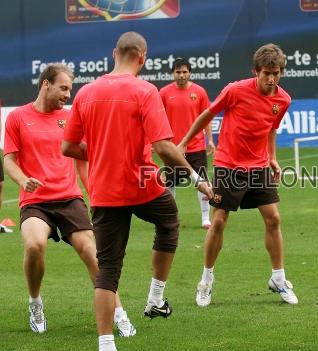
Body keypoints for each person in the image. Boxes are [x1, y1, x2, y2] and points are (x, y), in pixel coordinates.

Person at [61, 32, 213, 351]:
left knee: (108, 269)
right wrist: (196, 176)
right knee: (169, 222)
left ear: (114, 52)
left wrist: (103, 153)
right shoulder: (145, 90)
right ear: (142, 58)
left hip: (103, 190)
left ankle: (105, 343)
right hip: (141, 185)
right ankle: (155, 296)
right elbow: (162, 146)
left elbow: (69, 147)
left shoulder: (86, 92)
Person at [3, 63, 135, 336]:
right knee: (34, 245)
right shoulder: (17, 117)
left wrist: (95, 191)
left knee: (94, 254)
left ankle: (119, 312)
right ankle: (35, 302)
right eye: (63, 88)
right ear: (45, 84)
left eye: (70, 89)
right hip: (35, 200)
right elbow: (9, 160)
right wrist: (22, 180)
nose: (67, 94)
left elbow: (84, 157)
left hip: (69, 198)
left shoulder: (71, 116)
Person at [178, 43, 298, 307]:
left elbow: (271, 128)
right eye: (266, 73)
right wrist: (185, 143)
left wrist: (273, 158)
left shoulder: (283, 100)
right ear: (256, 71)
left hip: (258, 166)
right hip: (229, 164)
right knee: (219, 221)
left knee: (274, 219)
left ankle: (278, 277)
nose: (271, 78)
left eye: (276, 73)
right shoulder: (235, 90)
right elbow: (206, 115)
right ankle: (206, 280)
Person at [159, 57, 215, 229]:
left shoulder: (200, 92)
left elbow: (206, 118)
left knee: (201, 181)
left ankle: (205, 218)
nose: (182, 75)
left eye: (184, 72)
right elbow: (158, 119)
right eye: (178, 72)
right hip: (173, 147)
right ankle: (171, 217)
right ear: (172, 73)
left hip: (196, 146)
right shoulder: (164, 93)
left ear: (190, 73)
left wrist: (210, 140)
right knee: (170, 183)